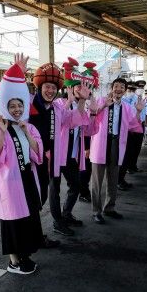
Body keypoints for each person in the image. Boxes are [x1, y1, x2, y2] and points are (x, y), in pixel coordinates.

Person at [0, 62, 44, 275]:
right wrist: (1, 132)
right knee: (12, 221)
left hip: (27, 178)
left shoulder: (30, 127)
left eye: (20, 106)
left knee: (28, 220)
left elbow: (38, 155)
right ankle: (14, 262)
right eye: (12, 107)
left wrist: (27, 132)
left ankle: (25, 255)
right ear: (5, 108)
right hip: (9, 183)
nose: (17, 110)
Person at [30, 59, 90, 237]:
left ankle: (60, 219)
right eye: (47, 86)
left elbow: (71, 120)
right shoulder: (30, 105)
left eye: (53, 88)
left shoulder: (56, 107)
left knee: (63, 189)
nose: (50, 91)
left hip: (56, 157)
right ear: (40, 86)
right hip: (35, 160)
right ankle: (45, 230)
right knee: (42, 196)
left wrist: (81, 101)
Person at [49, 58, 98, 230]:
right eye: (78, 86)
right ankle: (58, 222)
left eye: (84, 86)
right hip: (56, 154)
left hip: (72, 155)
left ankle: (66, 213)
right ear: (69, 87)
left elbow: (90, 131)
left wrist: (92, 113)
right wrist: (70, 102)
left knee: (76, 186)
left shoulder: (83, 106)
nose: (81, 89)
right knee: (54, 191)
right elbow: (63, 121)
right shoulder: (59, 103)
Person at [88, 78, 144, 223]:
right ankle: (96, 211)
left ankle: (109, 208)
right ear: (112, 88)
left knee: (113, 179)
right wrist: (103, 107)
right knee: (96, 181)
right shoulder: (101, 100)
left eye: (122, 87)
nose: (118, 89)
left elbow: (134, 125)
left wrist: (138, 112)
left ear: (125, 90)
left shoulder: (126, 107)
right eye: (116, 86)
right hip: (100, 144)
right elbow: (90, 118)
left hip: (117, 143)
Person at [118, 81, 145, 190]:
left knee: (129, 156)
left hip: (134, 131)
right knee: (122, 158)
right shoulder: (121, 101)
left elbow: (137, 117)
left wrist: (139, 113)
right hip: (122, 133)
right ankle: (118, 180)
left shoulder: (136, 100)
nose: (131, 92)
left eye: (133, 90)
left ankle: (121, 178)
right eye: (129, 89)